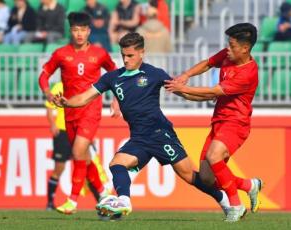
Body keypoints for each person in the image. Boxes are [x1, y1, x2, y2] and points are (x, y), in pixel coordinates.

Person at [53, 32, 233, 219]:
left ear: (141, 53)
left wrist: (207, 95)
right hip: (139, 138)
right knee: (117, 164)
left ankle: (225, 201)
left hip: (160, 133)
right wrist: (66, 103)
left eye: (130, 55)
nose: (126, 59)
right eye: (123, 55)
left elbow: (183, 92)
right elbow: (85, 97)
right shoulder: (113, 77)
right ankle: (124, 200)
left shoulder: (154, 74)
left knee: (189, 176)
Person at [164, 23, 263, 222]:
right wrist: (185, 76)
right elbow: (208, 63)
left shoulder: (247, 73)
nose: (228, 49)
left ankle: (236, 206)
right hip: (218, 121)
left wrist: (183, 89)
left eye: (232, 45)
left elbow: (213, 92)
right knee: (208, 179)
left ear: (245, 48)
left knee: (214, 155)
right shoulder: (229, 55)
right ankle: (248, 185)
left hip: (236, 123)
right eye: (228, 44)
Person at [38, 12, 120, 214]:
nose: (79, 34)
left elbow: (115, 75)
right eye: (75, 30)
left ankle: (72, 201)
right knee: (84, 156)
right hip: (69, 112)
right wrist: (48, 93)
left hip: (91, 110)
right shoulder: (61, 53)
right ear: (71, 31)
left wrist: (116, 100)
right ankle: (103, 193)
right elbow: (44, 75)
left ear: (89, 31)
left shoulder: (100, 53)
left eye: (83, 30)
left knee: (77, 152)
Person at [45, 81, 109, 210]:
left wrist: (89, 135)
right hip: (62, 132)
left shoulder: (83, 88)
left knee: (86, 163)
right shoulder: (59, 86)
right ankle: (50, 203)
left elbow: (87, 112)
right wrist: (52, 124)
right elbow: (49, 107)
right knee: (59, 168)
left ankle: (101, 199)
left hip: (80, 131)